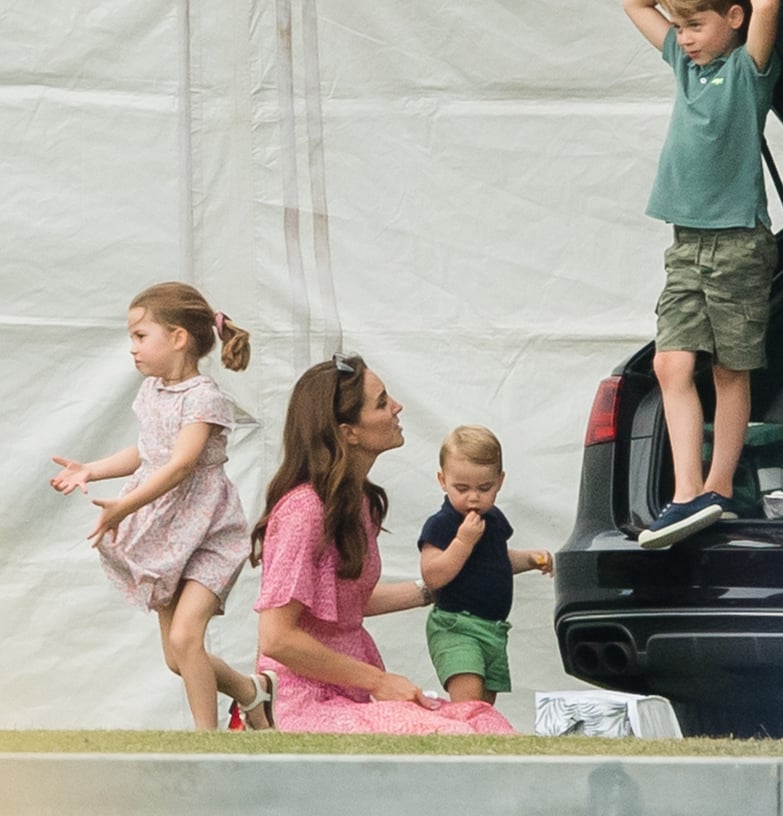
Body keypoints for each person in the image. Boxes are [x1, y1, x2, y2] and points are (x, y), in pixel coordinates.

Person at [250, 355, 516, 734]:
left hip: (350, 693)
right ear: (349, 432)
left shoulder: (359, 503)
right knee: (456, 733)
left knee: (484, 720)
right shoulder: (303, 510)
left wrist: (438, 588)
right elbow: (276, 639)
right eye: (381, 402)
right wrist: (377, 681)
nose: (397, 406)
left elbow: (347, 604)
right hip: (306, 701)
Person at [50, 281, 274, 730]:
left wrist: (124, 506)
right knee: (178, 658)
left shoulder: (204, 398)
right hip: (168, 537)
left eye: (139, 336)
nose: (132, 349)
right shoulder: (152, 392)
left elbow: (180, 465)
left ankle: (205, 741)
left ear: (178, 338)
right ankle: (253, 692)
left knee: (186, 635)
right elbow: (149, 451)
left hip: (210, 535)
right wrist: (91, 469)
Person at [622, 0, 781, 549]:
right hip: (686, 241)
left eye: (696, 25)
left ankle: (716, 485)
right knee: (670, 363)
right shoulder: (683, 67)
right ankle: (687, 491)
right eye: (680, 26)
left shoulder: (747, 72)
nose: (684, 38)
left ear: (733, 17)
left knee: (729, 369)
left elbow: (767, 1)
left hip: (738, 242)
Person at [418, 424, 553, 704]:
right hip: (456, 625)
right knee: (467, 699)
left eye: (484, 488)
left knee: (484, 705)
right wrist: (463, 542)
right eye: (462, 488)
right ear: (443, 480)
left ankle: (478, 740)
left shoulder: (493, 520)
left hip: (493, 629)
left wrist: (529, 559)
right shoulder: (442, 524)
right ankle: (461, 739)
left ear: (500, 481)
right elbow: (432, 575)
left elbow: (497, 561)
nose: (473, 497)